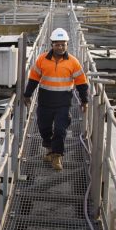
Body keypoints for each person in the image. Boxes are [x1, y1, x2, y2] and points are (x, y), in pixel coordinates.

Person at [22, 28, 89, 171]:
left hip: (63, 103)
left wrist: (84, 100)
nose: (60, 47)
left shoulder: (73, 62)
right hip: (45, 102)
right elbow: (33, 79)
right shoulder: (42, 59)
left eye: (63, 44)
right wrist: (27, 94)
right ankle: (49, 149)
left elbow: (82, 83)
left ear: (67, 45)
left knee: (60, 129)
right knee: (44, 128)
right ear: (51, 44)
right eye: (57, 44)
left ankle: (57, 156)